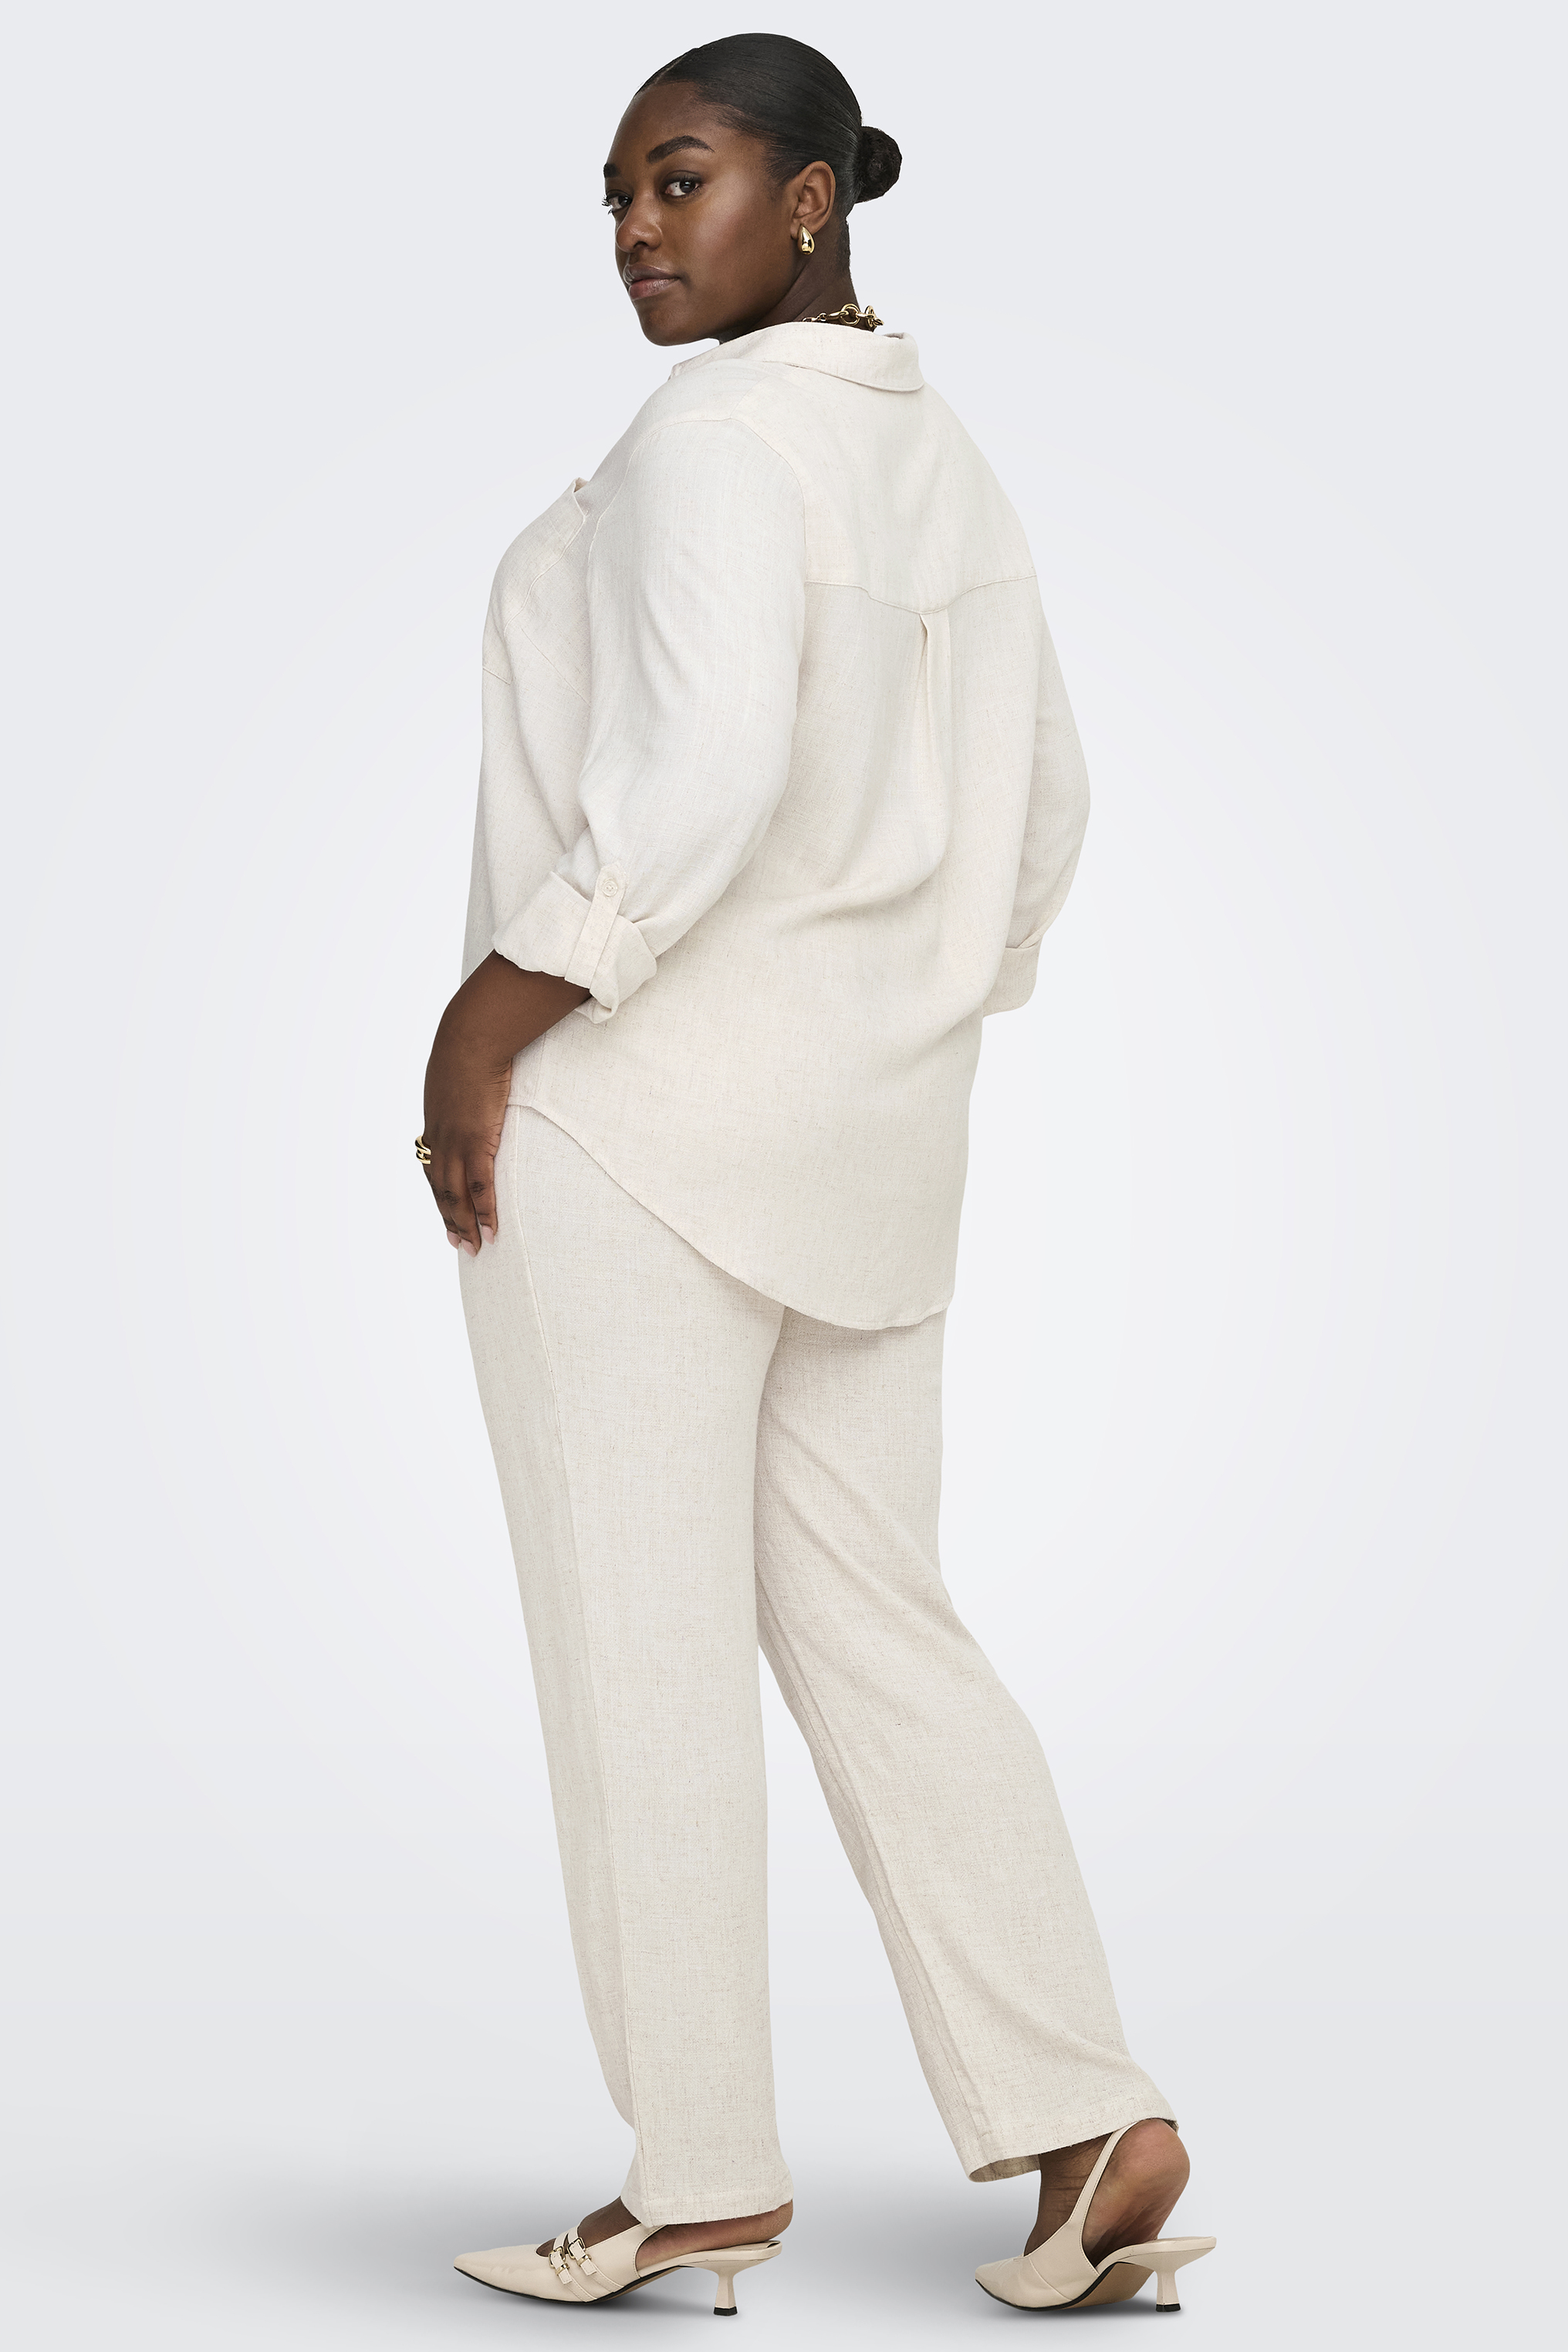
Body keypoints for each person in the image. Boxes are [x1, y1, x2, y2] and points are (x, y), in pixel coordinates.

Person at [417, 32, 1214, 2320]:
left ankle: (696, 2170)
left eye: (678, 181)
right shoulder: (939, 455)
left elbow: (694, 780)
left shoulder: (714, 439)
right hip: (867, 1154)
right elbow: (1048, 810)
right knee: (886, 1627)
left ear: (811, 199)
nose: (634, 233)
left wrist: (490, 1019)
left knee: (635, 1642)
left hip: (632, 1126)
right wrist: (906, 1007)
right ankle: (1085, 2113)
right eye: (614, 197)